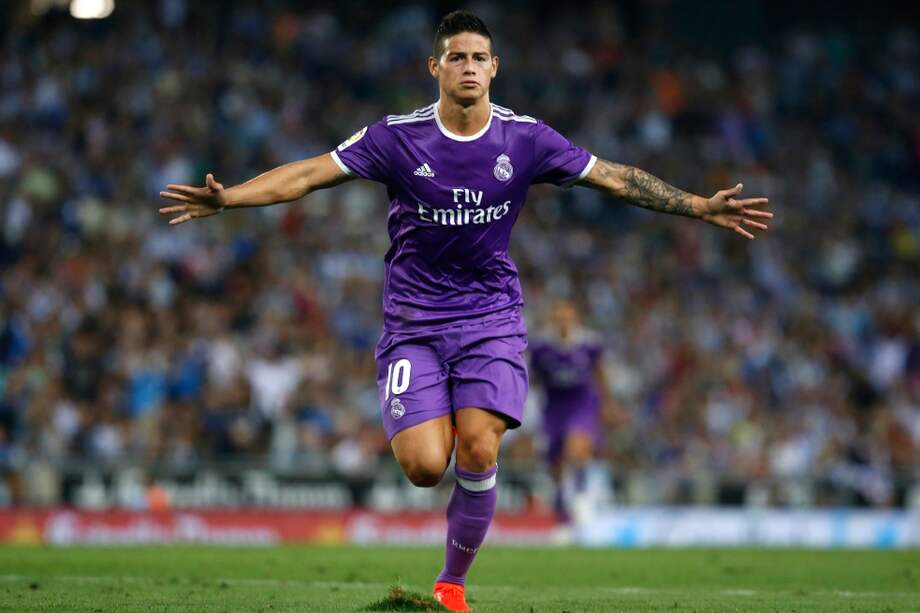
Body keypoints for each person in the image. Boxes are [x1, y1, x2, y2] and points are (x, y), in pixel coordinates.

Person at [159, 10, 772, 612]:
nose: (469, 67)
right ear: (436, 67)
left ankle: (451, 585)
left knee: (479, 449)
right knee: (426, 467)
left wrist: (697, 205)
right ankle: (442, 416)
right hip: (413, 325)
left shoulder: (525, 138)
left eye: (480, 57)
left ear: (495, 67)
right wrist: (231, 197)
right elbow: (311, 174)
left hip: (491, 319)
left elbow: (611, 177)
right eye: (457, 57)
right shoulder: (396, 138)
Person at [529, 300, 625, 531]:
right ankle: (561, 508)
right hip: (553, 407)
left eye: (567, 318)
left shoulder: (589, 345)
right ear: (553, 320)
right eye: (559, 318)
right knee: (554, 460)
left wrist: (609, 404)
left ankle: (581, 496)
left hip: (581, 403)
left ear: (575, 319)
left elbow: (600, 374)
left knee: (576, 448)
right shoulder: (540, 347)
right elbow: (531, 376)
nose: (563, 323)